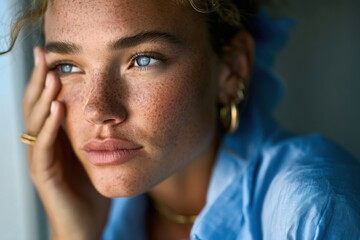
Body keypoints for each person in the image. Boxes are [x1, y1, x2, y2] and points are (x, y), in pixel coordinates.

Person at [2, 0, 360, 239]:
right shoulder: (103, 211)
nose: (97, 109)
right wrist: (73, 233)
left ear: (231, 69)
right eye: (67, 66)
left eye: (142, 60)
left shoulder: (311, 209)